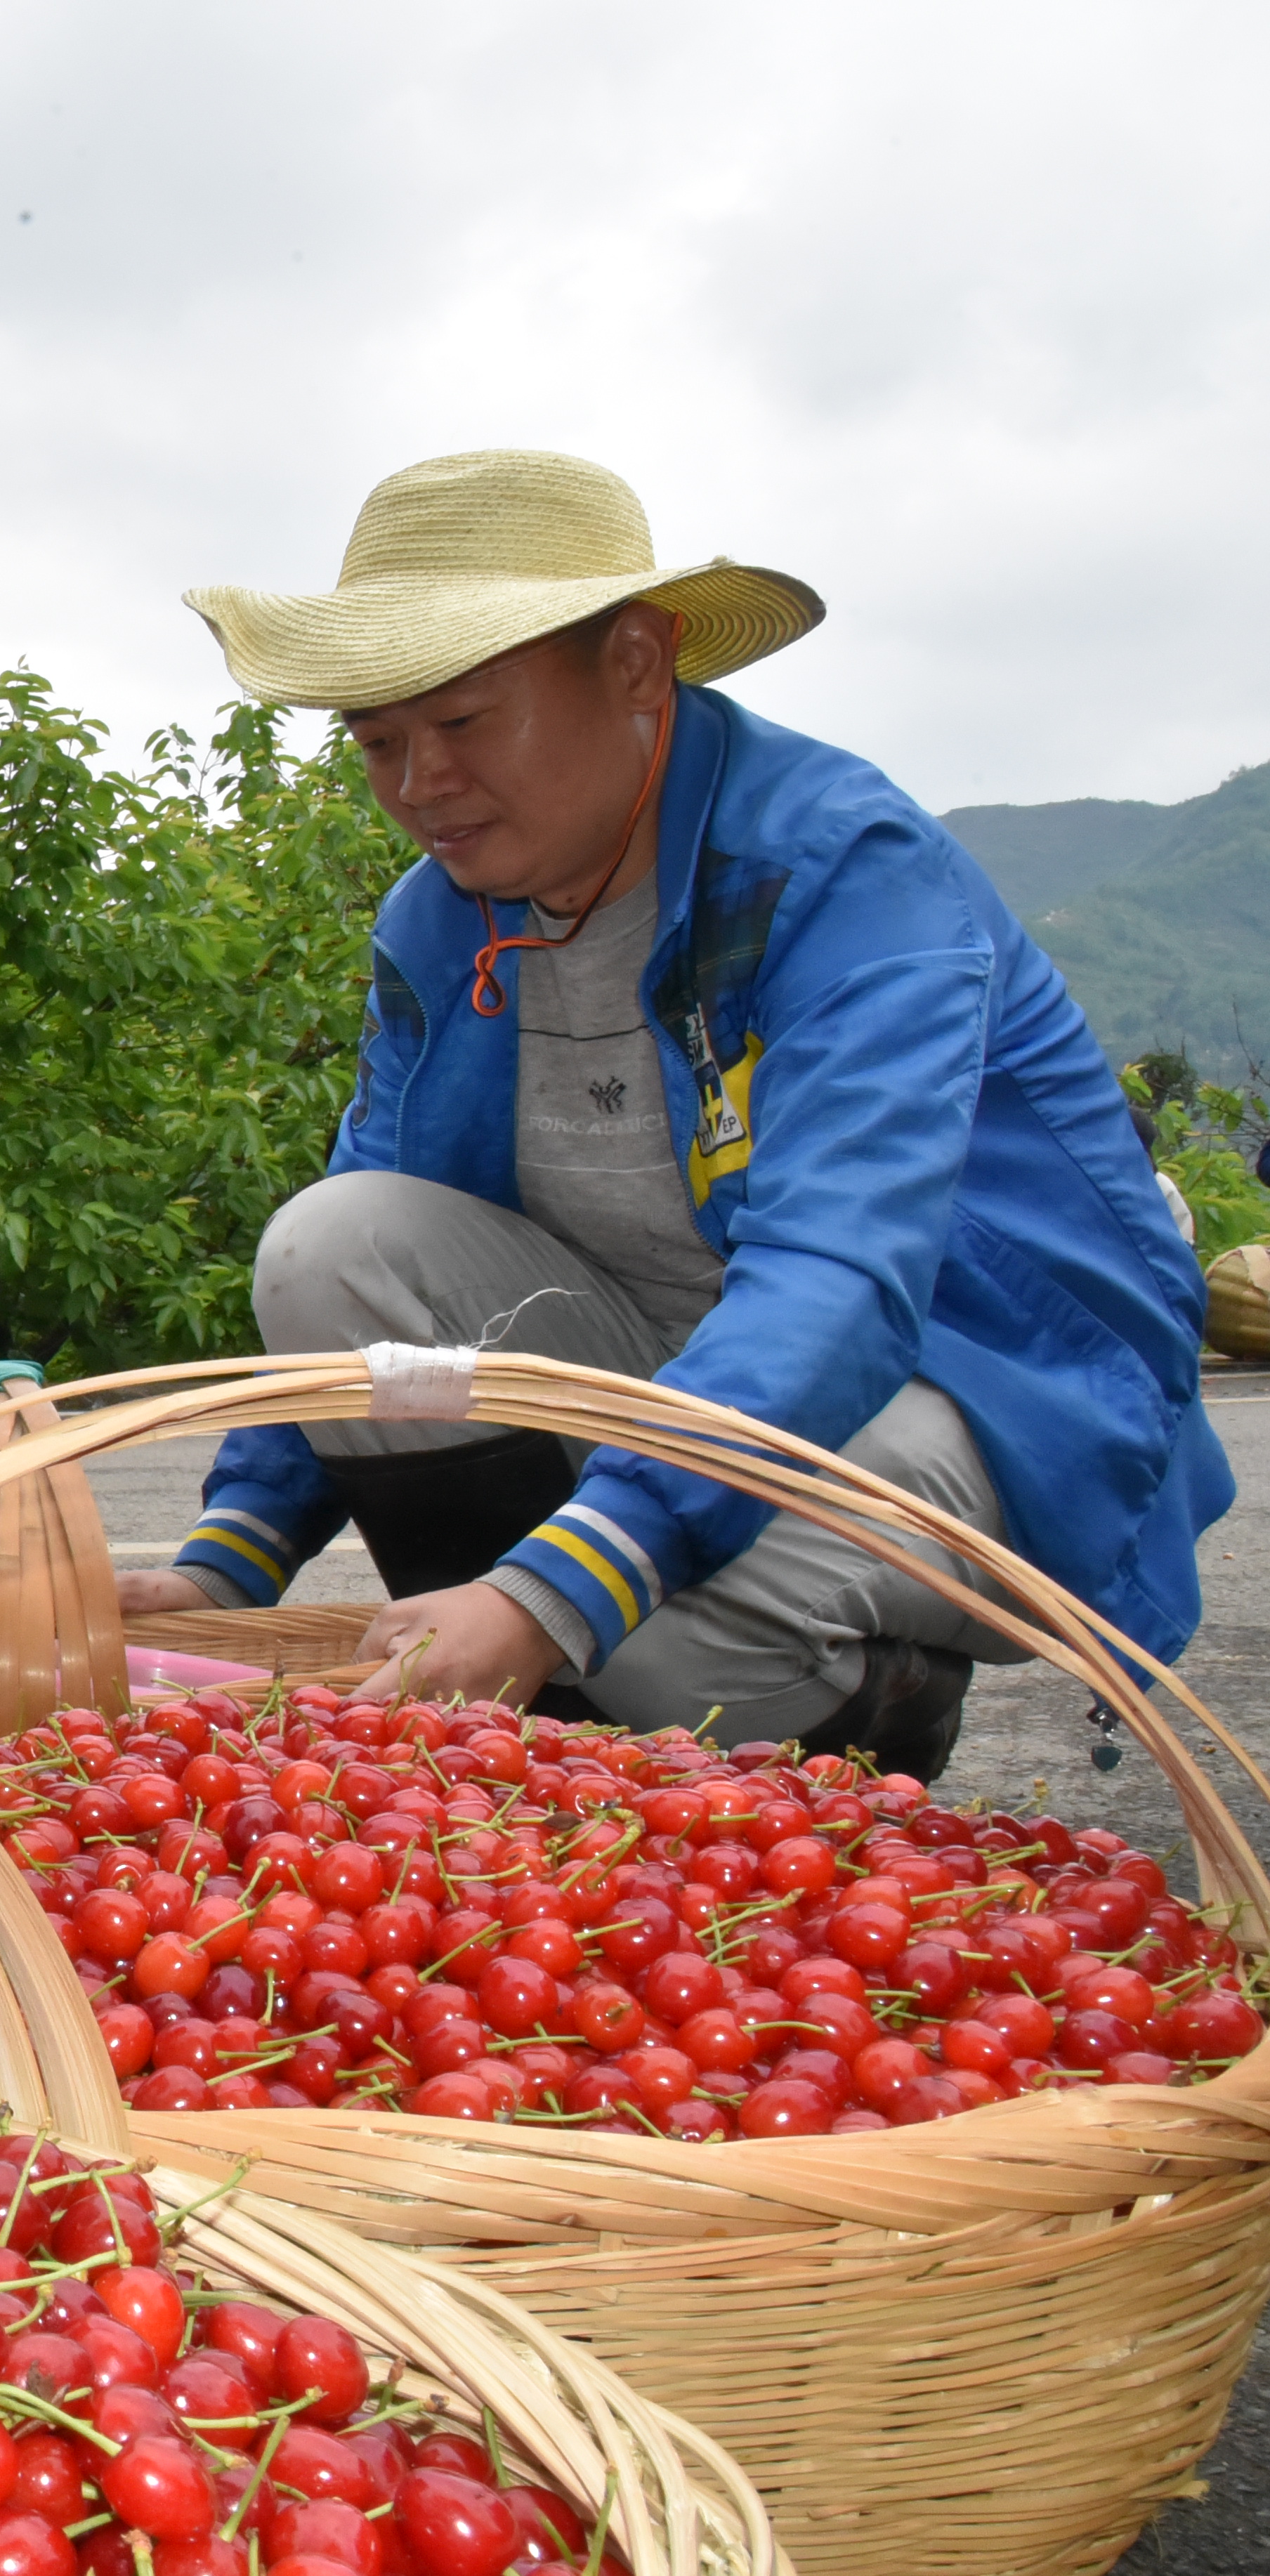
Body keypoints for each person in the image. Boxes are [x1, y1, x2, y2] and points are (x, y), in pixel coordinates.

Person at [117, 450, 1229, 1778]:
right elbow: (374, 1239)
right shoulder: (439, 921)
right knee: (332, 1242)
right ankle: (546, 1722)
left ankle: (867, 1705)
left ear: (638, 664)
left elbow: (843, 1280)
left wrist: (561, 1584)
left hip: (963, 1386)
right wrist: (230, 1562)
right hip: (662, 1381)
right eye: (378, 740)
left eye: (463, 723)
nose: (418, 783)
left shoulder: (839, 872)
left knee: (622, 1617)